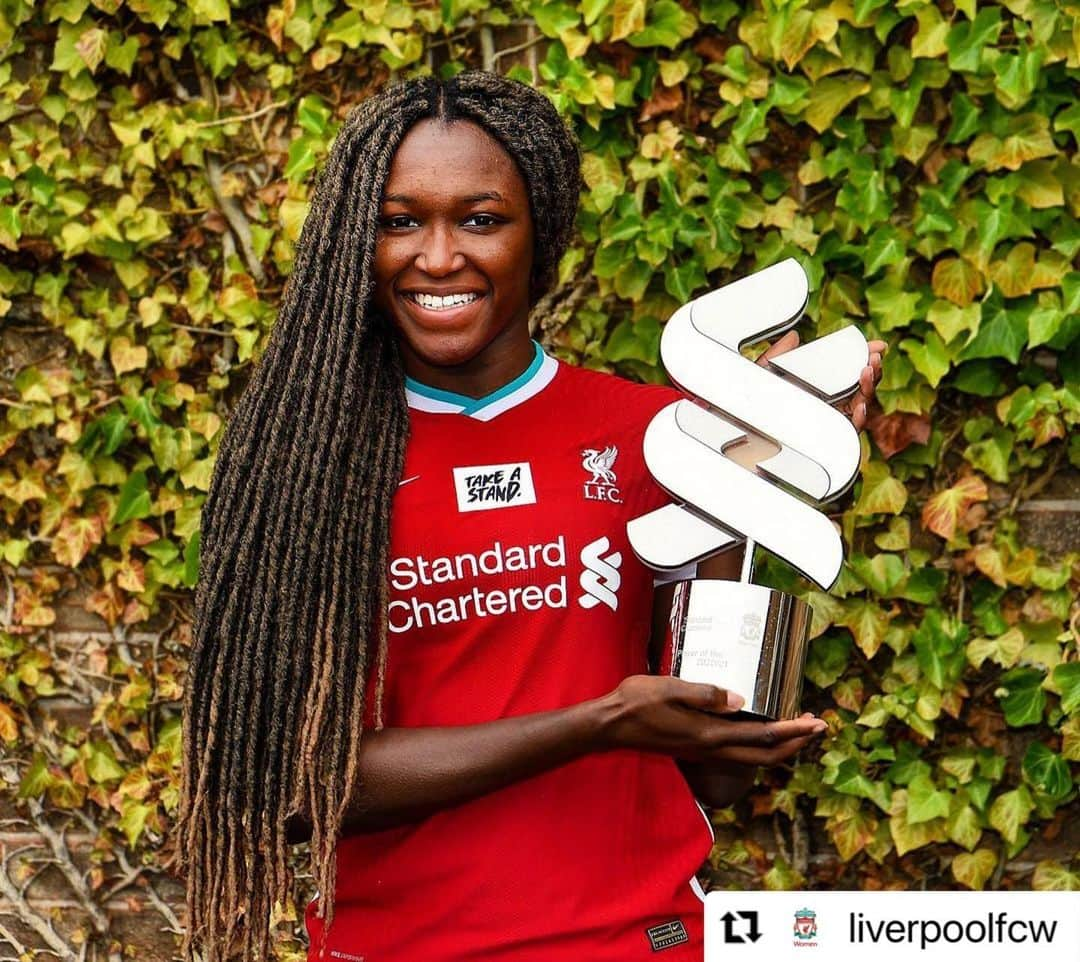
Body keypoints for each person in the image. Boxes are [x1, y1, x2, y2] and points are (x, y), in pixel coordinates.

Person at [173, 71, 884, 962]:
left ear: (540, 233)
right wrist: (596, 722)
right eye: (399, 221)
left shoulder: (658, 440)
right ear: (356, 239)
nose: (437, 257)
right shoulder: (310, 472)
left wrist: (765, 472)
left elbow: (708, 772)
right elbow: (289, 787)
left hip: (645, 943)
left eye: (480, 219)